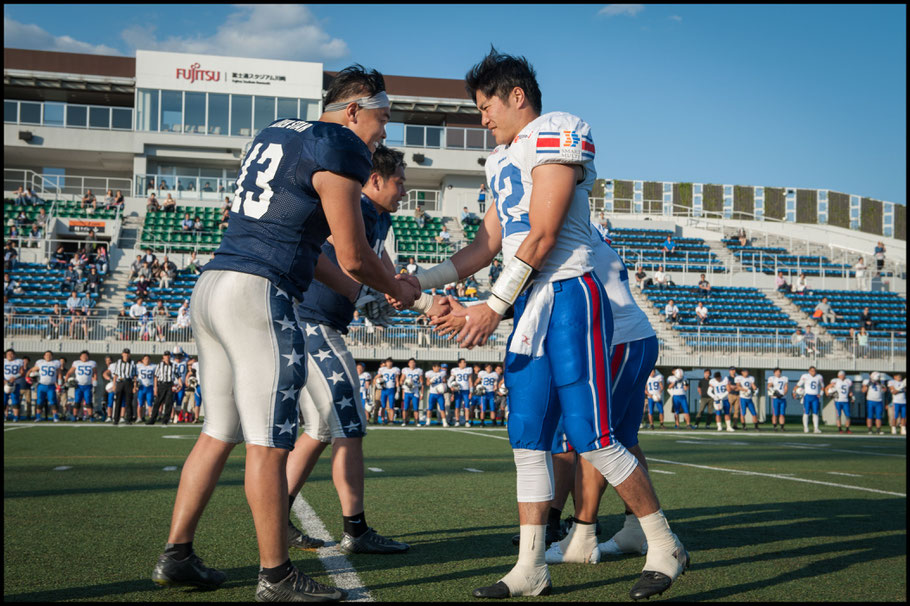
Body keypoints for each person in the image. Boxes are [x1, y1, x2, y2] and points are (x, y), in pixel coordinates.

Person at [409, 49, 687, 600]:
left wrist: (491, 304)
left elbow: (542, 235)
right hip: (532, 300)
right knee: (528, 438)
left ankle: (663, 542)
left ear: (517, 97)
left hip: (570, 292)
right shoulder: (500, 158)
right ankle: (531, 565)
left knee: (591, 434)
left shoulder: (556, 130)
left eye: (486, 105)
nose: (482, 118)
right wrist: (423, 278)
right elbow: (487, 244)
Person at [151, 64, 419, 602]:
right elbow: (352, 253)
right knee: (270, 442)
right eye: (382, 118)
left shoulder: (277, 130)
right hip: (258, 292)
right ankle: (276, 576)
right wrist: (396, 286)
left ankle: (177, 554)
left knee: (218, 430)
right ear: (353, 110)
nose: (383, 132)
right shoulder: (339, 146)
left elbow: (308, 246)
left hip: (213, 284)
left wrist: (354, 291)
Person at [28, 352, 62, 423]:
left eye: (49, 355)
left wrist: (59, 384)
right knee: (39, 401)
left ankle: (55, 416)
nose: (48, 356)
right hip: (41, 385)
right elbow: (31, 370)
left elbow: (59, 374)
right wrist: (27, 377)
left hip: (51, 385)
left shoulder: (55, 363)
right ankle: (38, 416)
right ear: (44, 356)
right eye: (46, 355)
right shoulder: (40, 363)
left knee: (53, 401)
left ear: (52, 356)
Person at [64, 351, 97, 422]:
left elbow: (95, 374)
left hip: (88, 386)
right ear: (80, 357)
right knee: (77, 402)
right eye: (83, 356)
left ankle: (91, 416)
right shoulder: (76, 363)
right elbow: (69, 372)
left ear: (88, 357)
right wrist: (66, 382)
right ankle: (74, 416)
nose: (84, 357)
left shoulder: (92, 363)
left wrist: (94, 383)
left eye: (86, 356)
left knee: (88, 402)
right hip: (78, 386)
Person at [146, 351, 175, 425]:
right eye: (166, 355)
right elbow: (155, 377)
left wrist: (180, 384)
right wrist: (155, 388)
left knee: (168, 403)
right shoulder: (159, 365)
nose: (167, 357)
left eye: (168, 355)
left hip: (170, 385)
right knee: (157, 403)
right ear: (163, 357)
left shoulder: (173, 365)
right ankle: (152, 419)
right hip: (161, 385)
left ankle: (165, 420)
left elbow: (177, 375)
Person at [110, 349, 137, 426]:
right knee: (118, 401)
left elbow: (135, 376)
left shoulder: (132, 363)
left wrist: (135, 386)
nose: (126, 355)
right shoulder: (118, 362)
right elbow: (115, 375)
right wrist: (114, 385)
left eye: (128, 354)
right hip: (120, 382)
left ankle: (128, 419)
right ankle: (116, 419)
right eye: (125, 353)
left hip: (128, 382)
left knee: (129, 402)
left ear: (129, 355)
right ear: (122, 354)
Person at [795, 367, 823, 434]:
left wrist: (821, 394)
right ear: (809, 371)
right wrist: (794, 392)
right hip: (807, 396)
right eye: (811, 371)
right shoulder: (805, 376)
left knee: (815, 413)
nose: (813, 372)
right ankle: (806, 428)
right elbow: (798, 385)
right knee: (806, 412)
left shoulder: (819, 377)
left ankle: (816, 428)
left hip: (815, 397)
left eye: (814, 370)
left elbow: (822, 386)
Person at [400, 358, 424, 427]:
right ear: (408, 364)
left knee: (416, 408)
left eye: (413, 362)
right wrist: (405, 384)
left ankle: (416, 421)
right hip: (407, 391)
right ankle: (404, 421)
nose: (412, 364)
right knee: (405, 408)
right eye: (411, 362)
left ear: (415, 363)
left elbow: (421, 381)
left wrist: (421, 391)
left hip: (415, 392)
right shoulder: (405, 370)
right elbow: (401, 380)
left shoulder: (418, 370)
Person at [4, 349, 26, 422]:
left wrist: (15, 377)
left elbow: (22, 373)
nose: (10, 355)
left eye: (11, 354)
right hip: (4, 383)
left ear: (14, 355)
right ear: (6, 355)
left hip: (15, 383)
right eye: (8, 354)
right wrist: (5, 381)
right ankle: (5, 416)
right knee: (4, 400)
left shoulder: (19, 361)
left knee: (15, 400)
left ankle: (16, 417)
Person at [450, 358, 473, 426]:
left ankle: (467, 421)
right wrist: (451, 389)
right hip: (458, 391)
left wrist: (471, 392)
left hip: (466, 390)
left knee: (467, 406)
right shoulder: (455, 370)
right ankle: (457, 421)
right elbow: (450, 380)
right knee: (457, 406)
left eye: (465, 362)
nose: (465, 363)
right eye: (463, 362)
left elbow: (470, 381)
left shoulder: (468, 370)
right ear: (459, 363)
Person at [377, 358, 401, 424]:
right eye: (388, 362)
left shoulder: (395, 370)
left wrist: (398, 390)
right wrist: (378, 383)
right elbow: (378, 377)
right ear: (386, 363)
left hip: (391, 389)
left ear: (392, 363)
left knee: (391, 406)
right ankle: (382, 420)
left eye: (390, 362)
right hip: (384, 389)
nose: (389, 363)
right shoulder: (382, 369)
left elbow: (397, 380)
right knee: (383, 406)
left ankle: (391, 420)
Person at [425, 362, 448, 427]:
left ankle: (444, 422)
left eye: (438, 367)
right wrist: (430, 381)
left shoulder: (442, 373)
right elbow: (427, 384)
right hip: (432, 393)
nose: (437, 368)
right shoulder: (429, 373)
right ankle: (428, 422)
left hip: (440, 394)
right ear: (433, 367)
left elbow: (444, 381)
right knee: (430, 408)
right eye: (436, 367)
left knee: (442, 408)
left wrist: (444, 386)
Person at [135, 355, 157, 422]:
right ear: (142, 360)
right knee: (140, 403)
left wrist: (155, 387)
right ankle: (139, 417)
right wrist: (135, 385)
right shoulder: (138, 366)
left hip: (150, 387)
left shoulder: (154, 366)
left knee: (150, 403)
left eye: (148, 359)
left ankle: (151, 417)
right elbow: (135, 376)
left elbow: (155, 376)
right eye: (145, 359)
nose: (147, 360)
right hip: (141, 387)